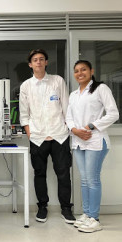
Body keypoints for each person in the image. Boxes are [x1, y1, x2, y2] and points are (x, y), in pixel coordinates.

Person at [19, 49, 76, 224]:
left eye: (41, 59)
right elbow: (24, 114)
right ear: (30, 64)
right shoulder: (26, 86)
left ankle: (66, 208)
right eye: (35, 60)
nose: (38, 62)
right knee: (39, 174)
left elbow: (67, 107)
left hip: (59, 135)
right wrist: (30, 133)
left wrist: (67, 128)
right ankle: (42, 207)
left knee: (64, 174)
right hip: (37, 137)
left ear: (46, 62)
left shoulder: (57, 81)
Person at [66, 60, 119, 233]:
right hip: (79, 140)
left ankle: (94, 218)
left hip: (95, 140)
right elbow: (69, 117)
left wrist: (90, 126)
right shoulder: (74, 94)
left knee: (92, 179)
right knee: (84, 179)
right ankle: (87, 214)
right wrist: (75, 130)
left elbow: (113, 113)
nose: (80, 73)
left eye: (83, 70)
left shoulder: (100, 88)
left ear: (91, 71)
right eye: (76, 71)